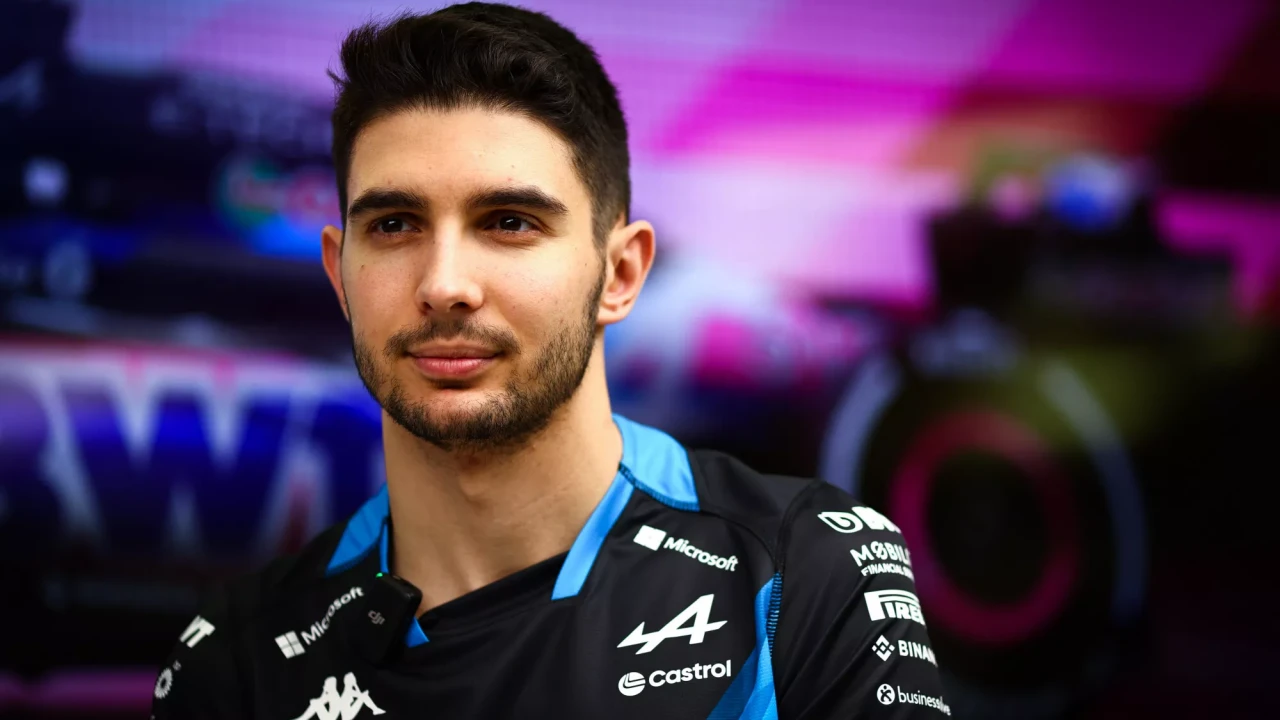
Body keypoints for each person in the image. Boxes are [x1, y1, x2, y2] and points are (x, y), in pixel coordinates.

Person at [151, 3, 948, 718]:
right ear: (340, 275)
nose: (444, 285)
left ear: (620, 274)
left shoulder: (800, 570)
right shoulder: (237, 656)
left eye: (509, 222)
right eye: (394, 225)